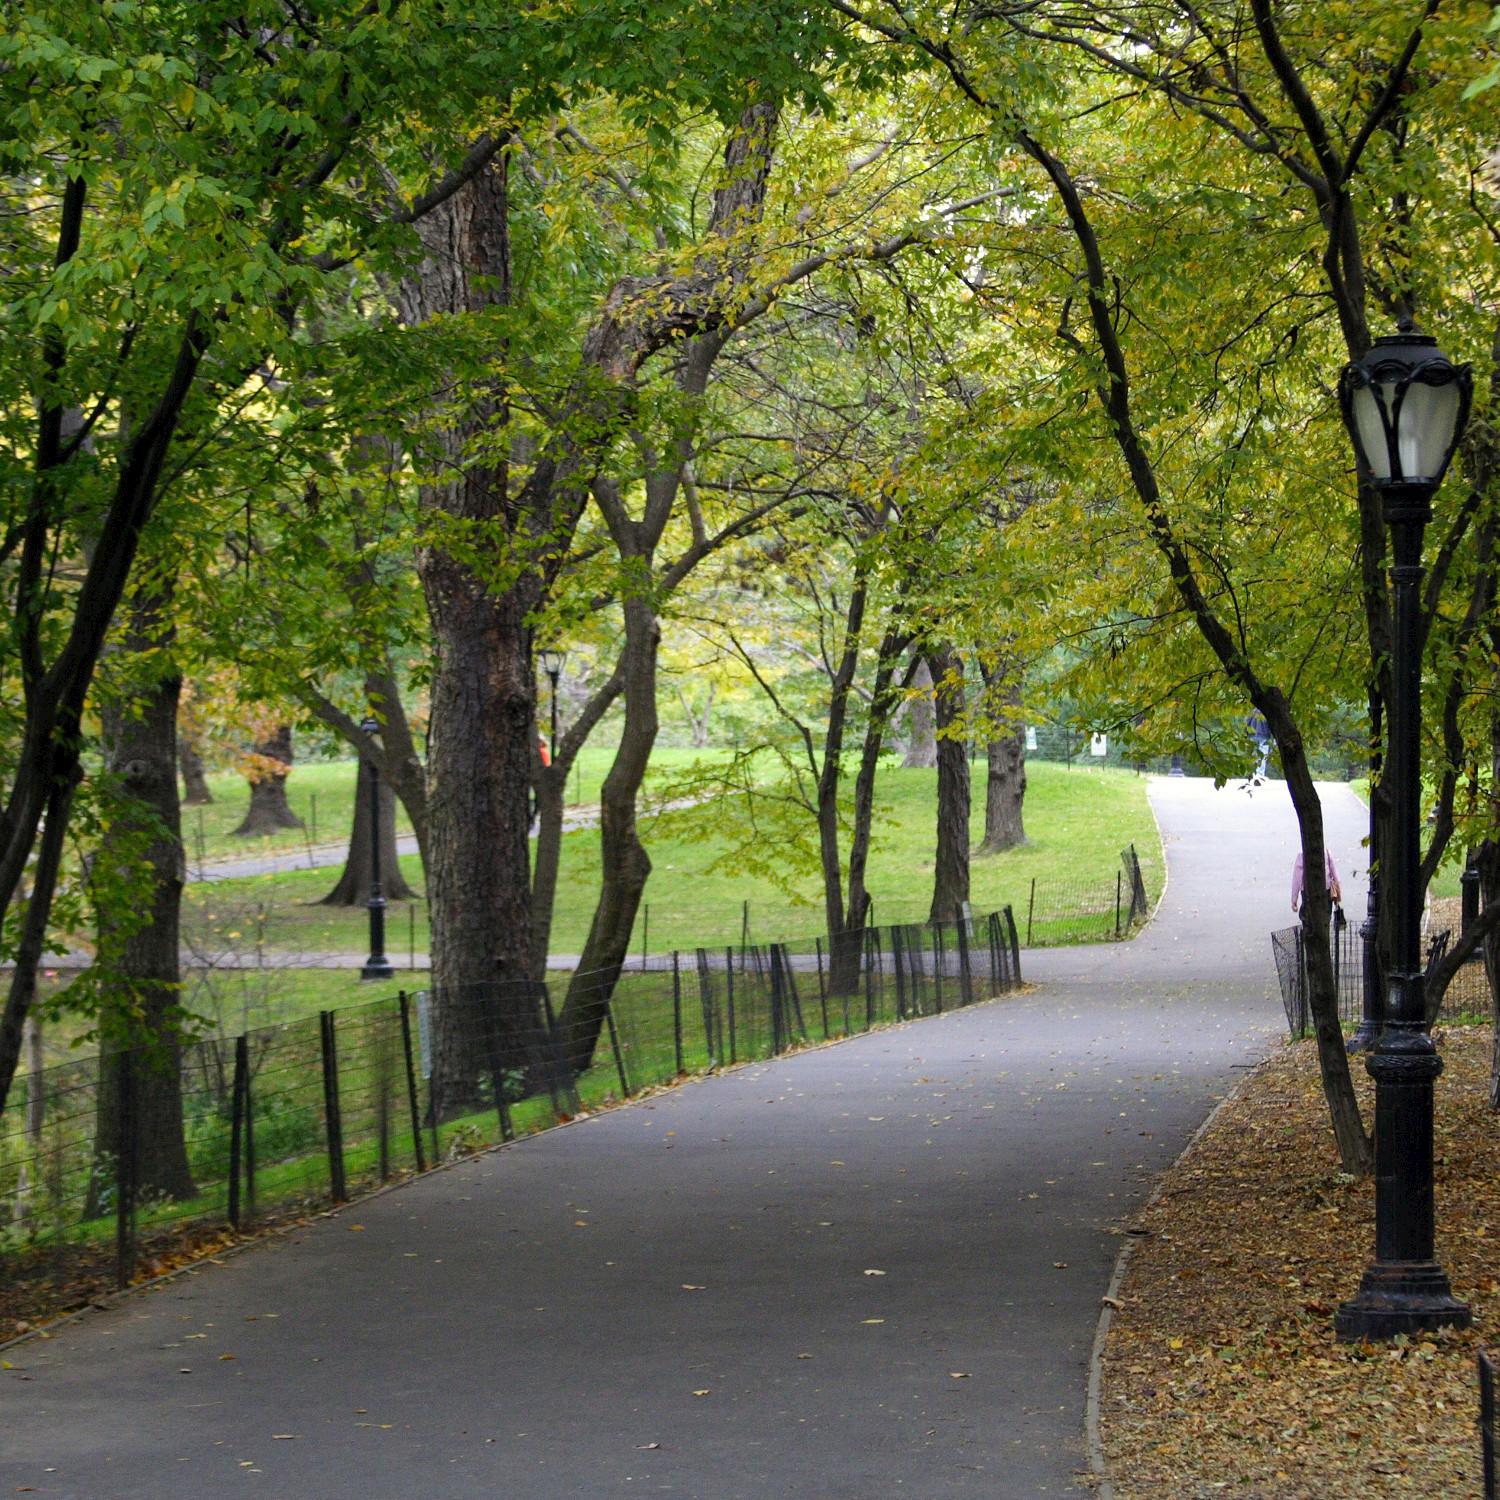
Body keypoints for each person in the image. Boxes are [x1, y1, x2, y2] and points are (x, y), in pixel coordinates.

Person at [1291, 847, 1341, 915]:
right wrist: (1338, 893)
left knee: (1308, 916)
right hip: (1326, 888)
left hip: (1308, 891)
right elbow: (1334, 873)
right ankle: (1325, 925)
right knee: (1326, 914)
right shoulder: (1326, 851)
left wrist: (1294, 900)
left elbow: (1297, 877)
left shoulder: (1301, 854)